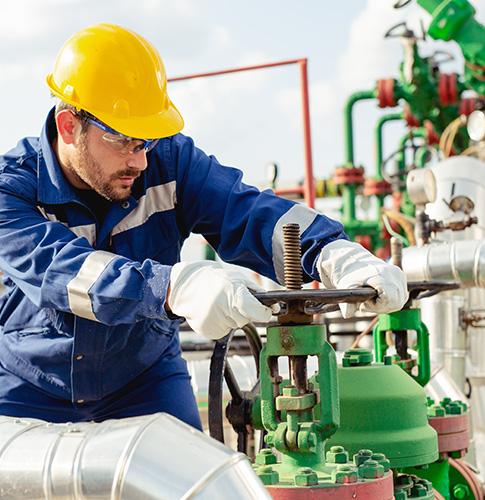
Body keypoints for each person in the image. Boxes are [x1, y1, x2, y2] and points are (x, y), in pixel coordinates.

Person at [0, 23, 408, 429]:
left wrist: (330, 250)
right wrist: (173, 288)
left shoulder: (171, 163)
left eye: (147, 142)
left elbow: (244, 209)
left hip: (142, 380)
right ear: (70, 125)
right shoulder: (11, 189)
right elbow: (64, 273)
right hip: (31, 384)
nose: (140, 161)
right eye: (125, 140)